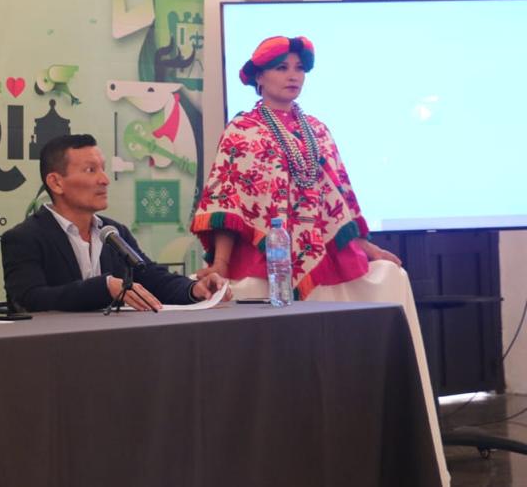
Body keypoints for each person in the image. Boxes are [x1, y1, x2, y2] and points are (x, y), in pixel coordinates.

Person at [191, 35, 449, 487]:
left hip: (326, 252)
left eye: (299, 68)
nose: (293, 76)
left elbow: (338, 193)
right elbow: (228, 198)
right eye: (282, 68)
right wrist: (223, 263)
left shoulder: (318, 129)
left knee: (383, 285)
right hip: (267, 254)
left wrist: (367, 247)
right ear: (258, 77)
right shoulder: (242, 130)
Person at [2, 134, 227, 312]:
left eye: (103, 169)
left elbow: (151, 278)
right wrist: (104, 287)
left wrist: (193, 289)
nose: (105, 180)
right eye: (90, 170)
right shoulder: (25, 238)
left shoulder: (113, 232)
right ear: (56, 182)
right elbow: (29, 300)